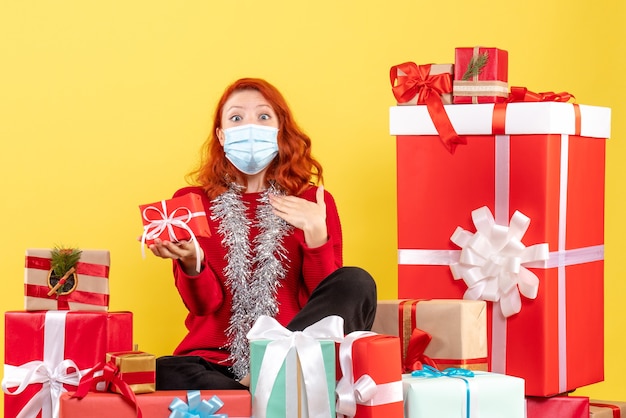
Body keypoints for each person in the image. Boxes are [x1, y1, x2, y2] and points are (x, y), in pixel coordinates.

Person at [147, 77, 377, 390]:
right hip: (218, 363)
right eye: (237, 118)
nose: (250, 126)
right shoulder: (193, 201)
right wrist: (192, 261)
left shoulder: (312, 201)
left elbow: (326, 305)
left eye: (263, 116)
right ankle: (256, 393)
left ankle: (261, 380)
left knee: (356, 281)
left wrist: (316, 236)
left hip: (293, 358)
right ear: (221, 134)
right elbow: (203, 307)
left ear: (280, 129)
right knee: (162, 370)